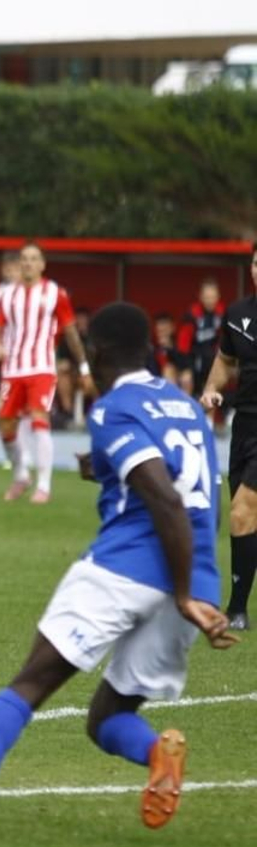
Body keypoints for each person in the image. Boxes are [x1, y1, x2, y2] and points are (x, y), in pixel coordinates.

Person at [0, 302, 238, 844]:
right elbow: (187, 488)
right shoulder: (185, 407)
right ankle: (158, 752)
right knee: (105, 719)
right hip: (199, 574)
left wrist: (180, 593)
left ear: (98, 353)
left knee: (29, 685)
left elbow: (162, 496)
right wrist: (189, 588)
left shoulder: (114, 408)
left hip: (129, 568)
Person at [0, 241, 90, 504]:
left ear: (42, 264)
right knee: (5, 425)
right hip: (13, 368)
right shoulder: (5, 295)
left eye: (33, 259)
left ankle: (44, 486)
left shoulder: (54, 293)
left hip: (41, 368)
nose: (28, 263)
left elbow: (70, 330)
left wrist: (83, 366)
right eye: (24, 259)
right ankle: (21, 474)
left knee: (39, 419)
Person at [196, 248, 257, 632]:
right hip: (244, 427)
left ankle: (236, 609)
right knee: (245, 517)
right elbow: (225, 361)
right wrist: (210, 392)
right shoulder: (237, 314)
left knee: (240, 511)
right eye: (255, 263)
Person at [179, 278, 225, 400]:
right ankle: (187, 414)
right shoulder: (192, 314)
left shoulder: (223, 314)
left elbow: (226, 342)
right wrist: (186, 368)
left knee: (214, 383)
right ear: (200, 296)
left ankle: (210, 418)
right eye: (207, 297)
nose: (210, 300)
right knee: (186, 379)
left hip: (213, 361)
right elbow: (183, 346)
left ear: (218, 296)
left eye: (213, 297)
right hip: (193, 360)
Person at [150, 313, 188, 383]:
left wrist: (169, 348)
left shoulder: (179, 346)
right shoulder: (152, 349)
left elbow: (184, 366)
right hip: (158, 381)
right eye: (160, 331)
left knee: (187, 375)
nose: (162, 333)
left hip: (178, 380)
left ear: (172, 328)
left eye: (165, 329)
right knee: (168, 370)